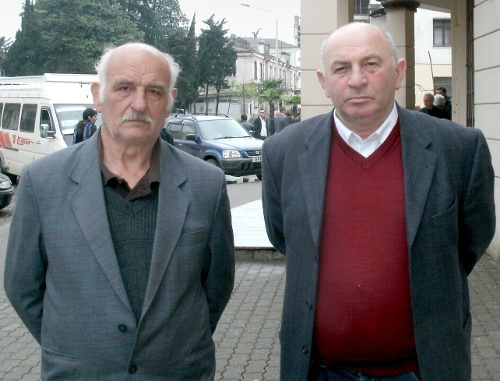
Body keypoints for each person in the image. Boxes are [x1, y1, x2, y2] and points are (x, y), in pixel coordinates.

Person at [261, 22, 495, 381]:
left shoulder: (459, 149)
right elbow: (285, 239)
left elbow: (470, 241)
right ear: (324, 82)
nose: (356, 79)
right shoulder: (283, 152)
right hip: (320, 371)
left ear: (399, 73)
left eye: (371, 64)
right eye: (342, 68)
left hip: (423, 370)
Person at [4, 42, 235, 380]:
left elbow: (216, 285)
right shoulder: (42, 181)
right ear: (98, 95)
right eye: (124, 87)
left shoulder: (207, 184)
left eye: (154, 91)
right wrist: (77, 348)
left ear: (169, 102)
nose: (139, 104)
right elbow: (22, 286)